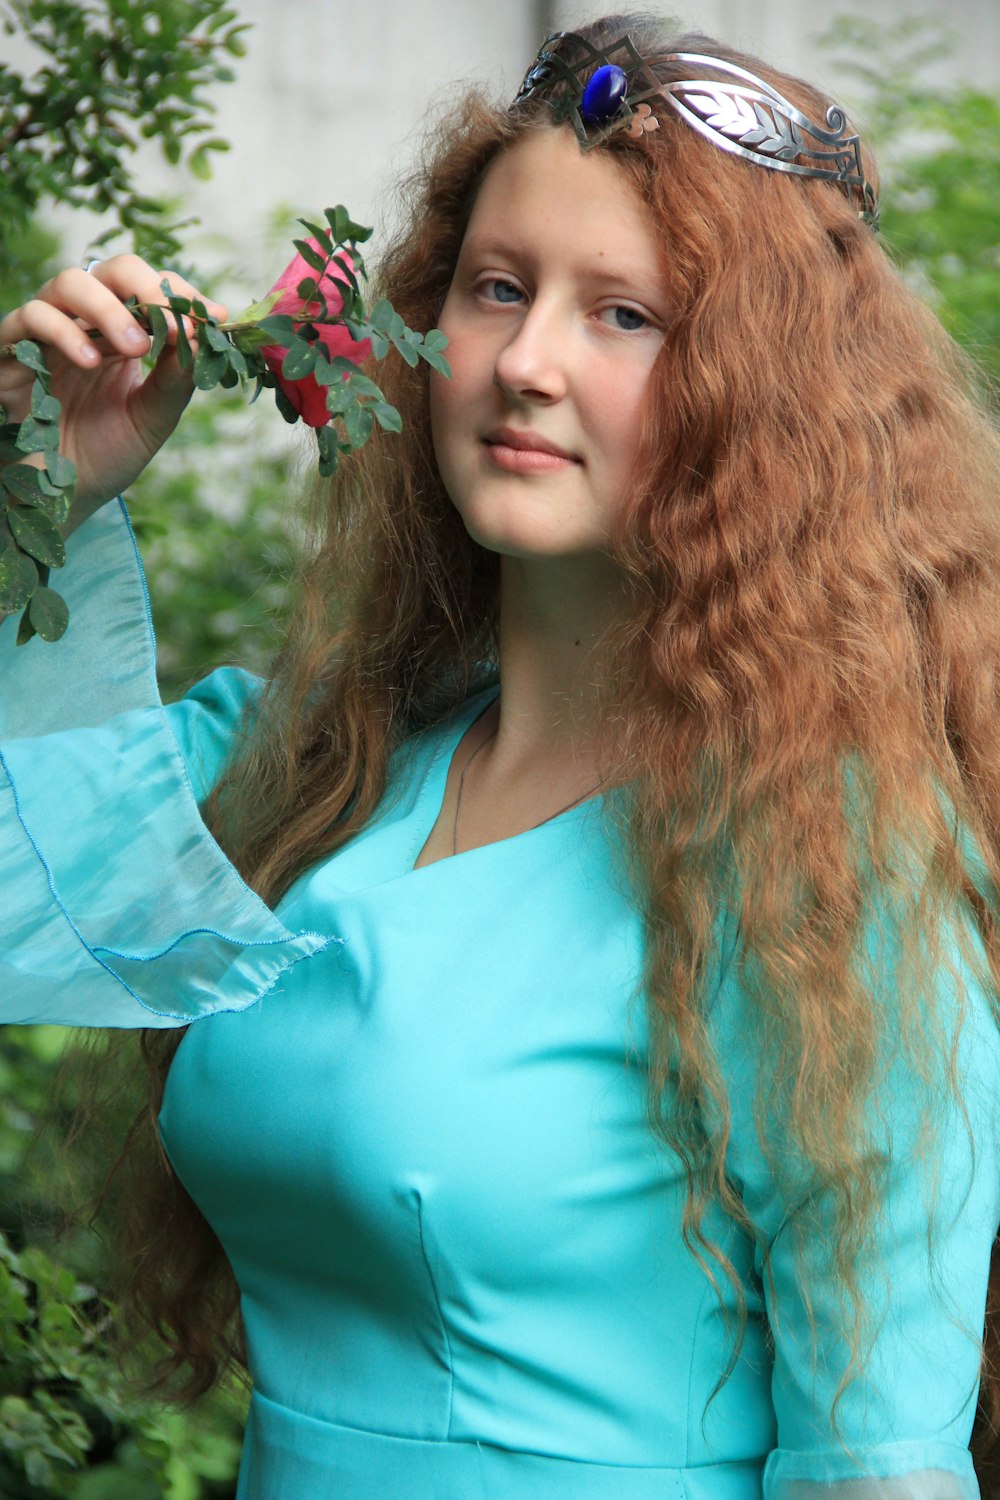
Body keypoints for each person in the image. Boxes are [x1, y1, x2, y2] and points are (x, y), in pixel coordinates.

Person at [2, 13, 1000, 1499]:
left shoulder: (819, 866)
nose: (525, 361)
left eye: (627, 316)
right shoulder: (321, 763)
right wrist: (42, 499)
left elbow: (878, 1470)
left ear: (764, 403)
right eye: (497, 287)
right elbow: (31, 896)